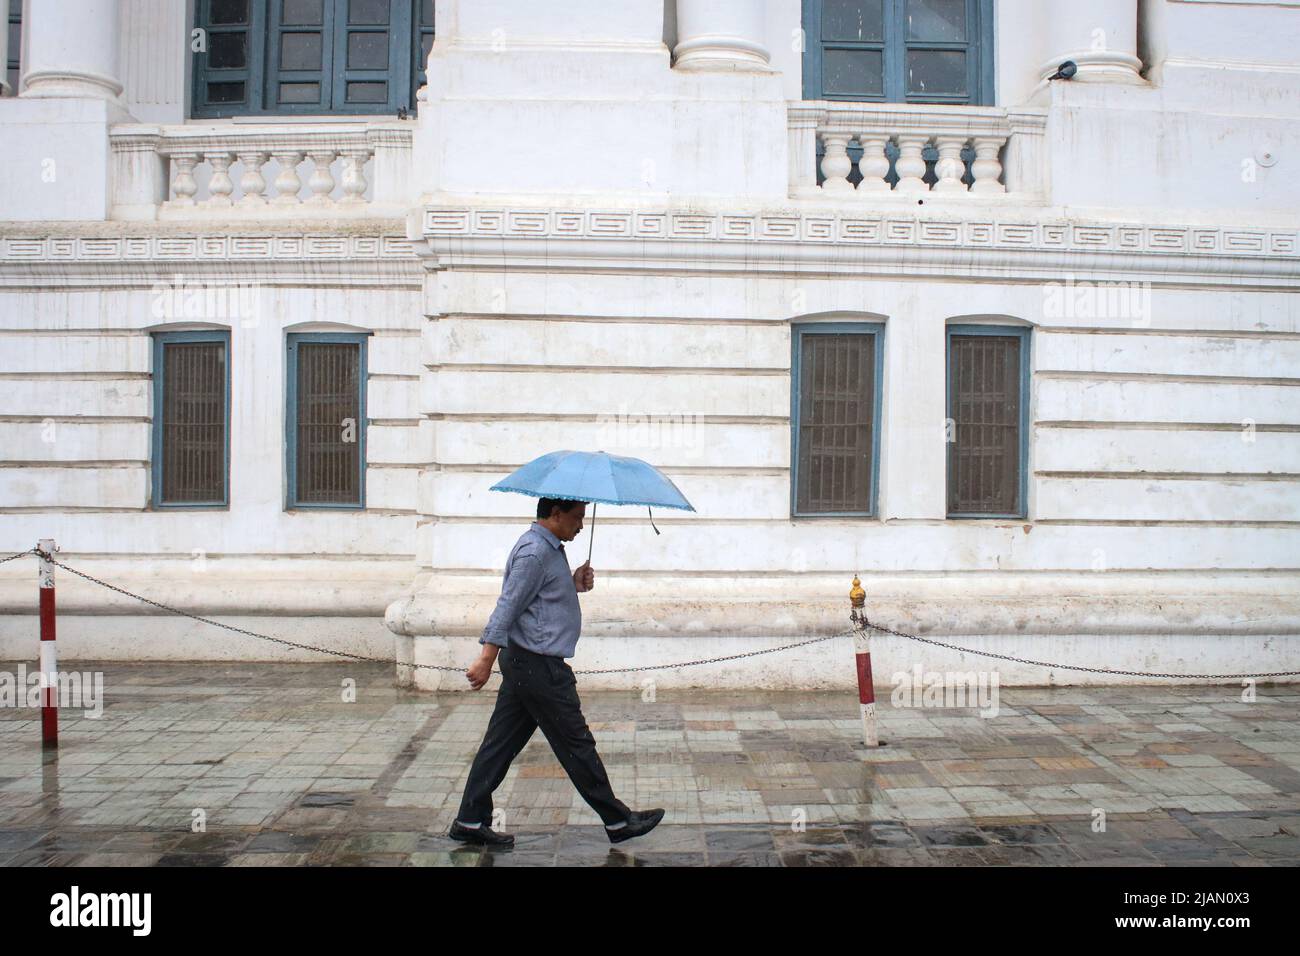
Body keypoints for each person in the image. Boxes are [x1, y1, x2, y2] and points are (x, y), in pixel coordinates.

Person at [448, 497, 665, 846]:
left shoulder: (548, 548)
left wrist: (573, 581)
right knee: (576, 743)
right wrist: (486, 658)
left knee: (499, 746)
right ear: (555, 514)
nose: (580, 524)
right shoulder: (535, 552)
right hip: (538, 668)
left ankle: (470, 821)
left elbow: (540, 598)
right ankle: (617, 821)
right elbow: (508, 605)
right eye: (577, 517)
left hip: (528, 665)